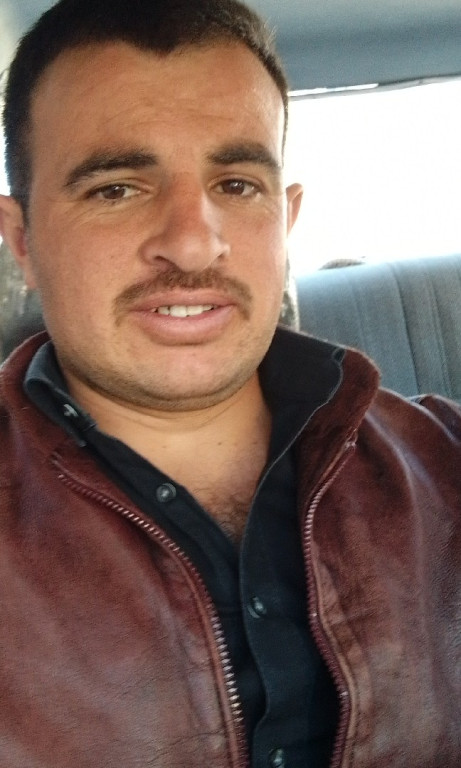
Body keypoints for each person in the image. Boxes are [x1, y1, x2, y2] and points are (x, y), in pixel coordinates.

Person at [0, 0, 460, 765]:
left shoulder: (445, 464)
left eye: (238, 184)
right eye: (116, 188)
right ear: (22, 239)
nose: (192, 242)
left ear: (286, 217)